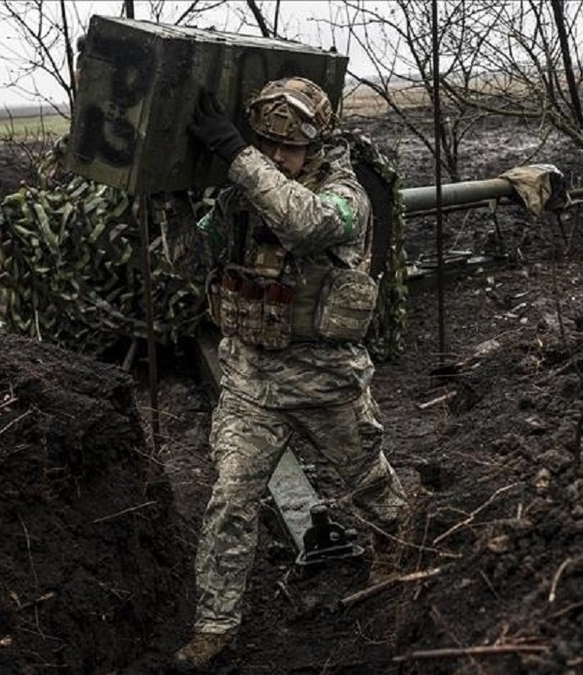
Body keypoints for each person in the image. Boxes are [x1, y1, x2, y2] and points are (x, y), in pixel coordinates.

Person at [174, 77, 408, 670]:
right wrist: (175, 205)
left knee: (373, 487)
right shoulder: (242, 195)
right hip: (251, 381)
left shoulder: (343, 194)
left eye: (290, 147)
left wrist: (238, 155)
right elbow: (191, 259)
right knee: (230, 499)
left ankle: (402, 557)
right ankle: (215, 626)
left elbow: (304, 224)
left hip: (325, 380)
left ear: (318, 144)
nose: (277, 156)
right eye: (267, 144)